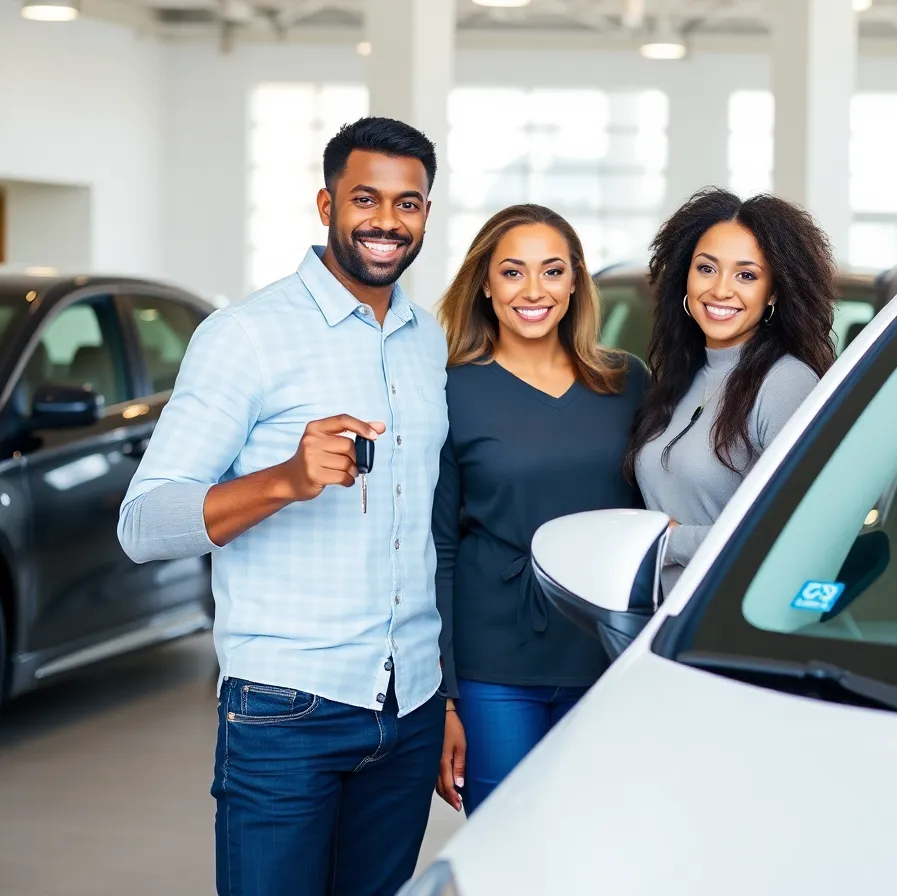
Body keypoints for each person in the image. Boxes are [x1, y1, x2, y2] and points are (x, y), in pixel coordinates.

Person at [117, 117, 449, 896]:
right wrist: (284, 480)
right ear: (327, 203)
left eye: (409, 204)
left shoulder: (426, 341)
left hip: (410, 709)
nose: (387, 222)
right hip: (285, 711)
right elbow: (143, 524)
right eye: (366, 198)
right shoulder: (244, 337)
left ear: (426, 215)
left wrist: (445, 695)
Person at [431, 204, 649, 815]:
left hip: (606, 653)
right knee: (506, 840)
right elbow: (440, 548)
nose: (533, 291)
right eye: (512, 272)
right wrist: (445, 699)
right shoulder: (449, 389)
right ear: (485, 284)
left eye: (552, 271)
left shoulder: (627, 381)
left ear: (576, 281)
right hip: (492, 663)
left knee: (595, 839)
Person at [626, 187, 837, 589]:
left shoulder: (785, 382)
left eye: (746, 275)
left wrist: (668, 541)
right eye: (706, 268)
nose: (721, 290)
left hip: (726, 622)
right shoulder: (682, 374)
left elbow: (790, 531)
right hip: (663, 618)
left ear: (773, 291)